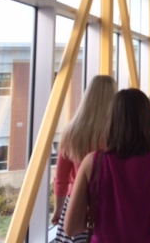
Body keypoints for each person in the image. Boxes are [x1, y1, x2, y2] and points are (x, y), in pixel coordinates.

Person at [64, 89, 150, 242]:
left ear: (111, 121)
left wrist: (100, 221)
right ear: (148, 122)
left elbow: (71, 227)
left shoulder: (92, 162)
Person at [51, 75, 117, 243]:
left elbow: (61, 178)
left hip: (76, 203)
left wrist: (58, 210)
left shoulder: (71, 132)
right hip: (110, 201)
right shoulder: (117, 133)